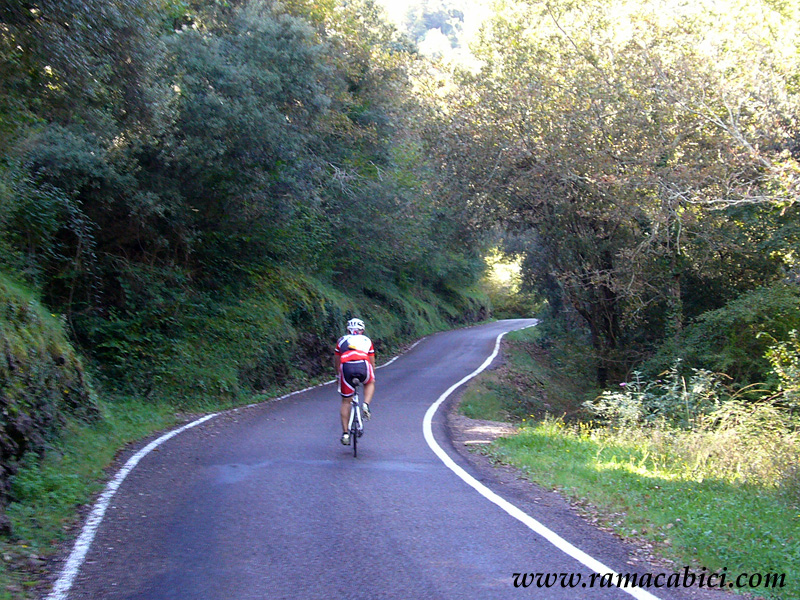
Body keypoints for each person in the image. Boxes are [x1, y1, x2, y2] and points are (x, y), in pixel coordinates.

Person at [334, 317, 375, 445]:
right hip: (363, 364)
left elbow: (337, 361)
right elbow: (371, 362)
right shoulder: (367, 340)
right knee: (369, 382)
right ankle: (366, 404)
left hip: (346, 367)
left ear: (348, 329)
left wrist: (338, 375)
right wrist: (371, 374)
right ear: (362, 329)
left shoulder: (341, 340)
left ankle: (346, 434)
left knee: (346, 401)